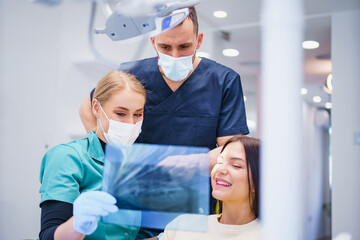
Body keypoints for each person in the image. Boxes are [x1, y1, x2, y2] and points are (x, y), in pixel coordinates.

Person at [79, 6, 249, 238]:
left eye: (184, 47)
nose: (175, 56)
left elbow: (232, 150)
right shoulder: (132, 74)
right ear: (152, 40)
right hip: (134, 200)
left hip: (191, 207)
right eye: (165, 47)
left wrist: (191, 163)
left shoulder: (223, 81)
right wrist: (112, 156)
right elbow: (88, 109)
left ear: (198, 41)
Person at [39, 70, 146, 240]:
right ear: (96, 107)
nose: (131, 123)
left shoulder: (136, 165)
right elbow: (48, 236)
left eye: (138, 114)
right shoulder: (67, 157)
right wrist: (78, 225)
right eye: (120, 113)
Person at [159, 135, 261, 240]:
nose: (221, 169)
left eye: (236, 165)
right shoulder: (182, 226)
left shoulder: (270, 234)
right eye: (219, 162)